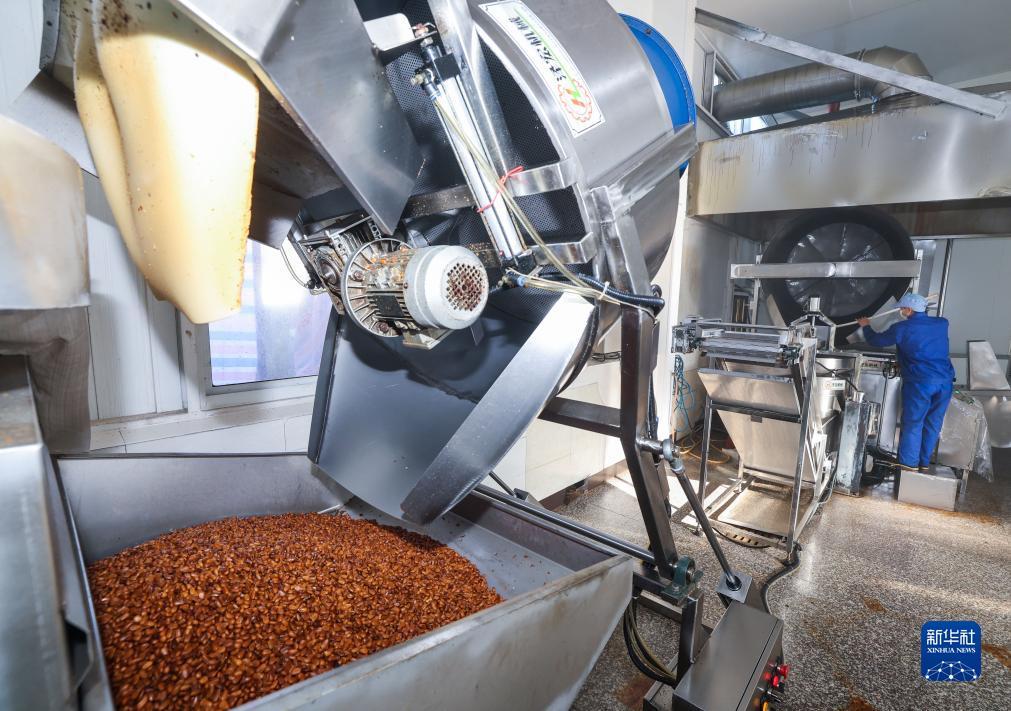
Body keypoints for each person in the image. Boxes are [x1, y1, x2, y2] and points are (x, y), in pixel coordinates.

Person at [857, 293, 955, 472]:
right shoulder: (942, 323)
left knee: (914, 422)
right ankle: (924, 463)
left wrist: (866, 326)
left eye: (902, 308)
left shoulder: (901, 328)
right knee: (933, 422)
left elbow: (877, 341)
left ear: (909, 310)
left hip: (921, 383)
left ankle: (909, 465)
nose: (900, 311)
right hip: (945, 382)